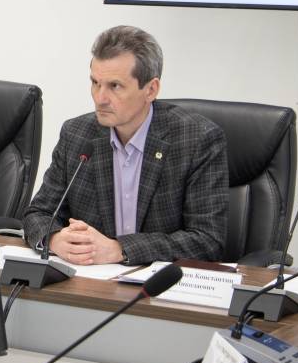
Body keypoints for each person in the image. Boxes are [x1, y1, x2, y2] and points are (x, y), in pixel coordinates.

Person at [22, 26, 227, 265]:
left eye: (115, 86)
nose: (100, 98)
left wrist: (120, 249)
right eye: (95, 83)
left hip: (163, 283)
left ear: (151, 90)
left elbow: (208, 240)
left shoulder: (197, 140)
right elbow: (38, 214)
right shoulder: (76, 134)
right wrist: (55, 239)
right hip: (91, 279)